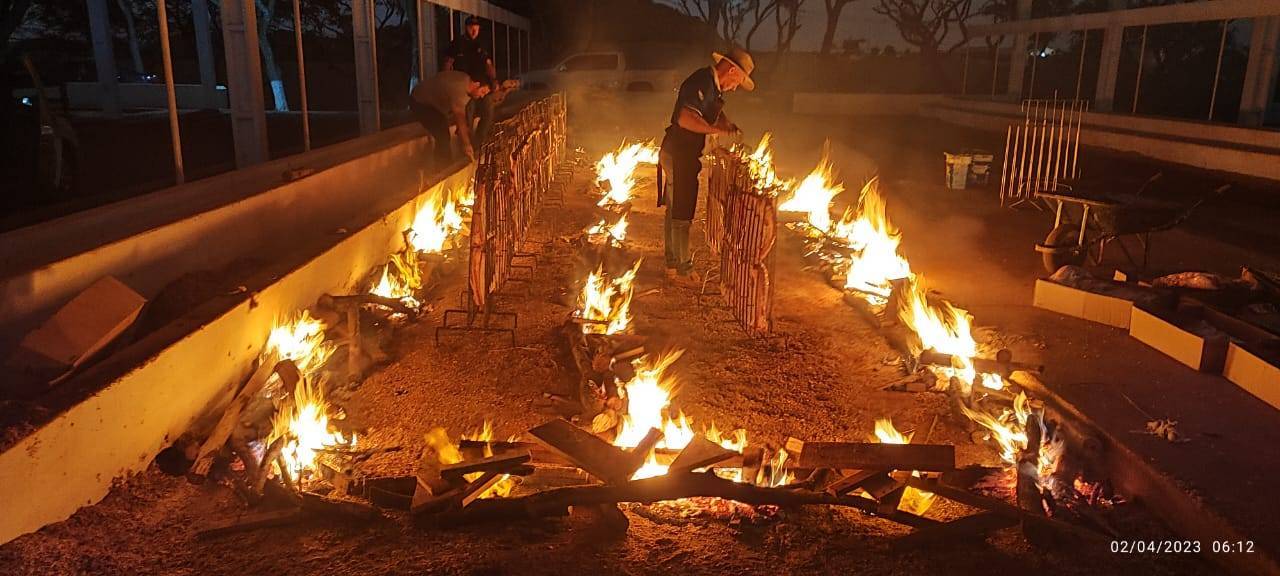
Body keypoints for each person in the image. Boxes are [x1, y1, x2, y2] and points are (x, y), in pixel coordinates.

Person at [658, 47, 755, 286]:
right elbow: (685, 118)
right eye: (738, 81)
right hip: (679, 153)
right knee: (682, 210)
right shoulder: (701, 82)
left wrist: (726, 124)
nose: (735, 87)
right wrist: (715, 130)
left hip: (680, 153)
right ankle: (683, 268)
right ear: (731, 70)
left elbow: (712, 112)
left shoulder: (713, 87)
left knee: (675, 208)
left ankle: (672, 262)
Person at [410, 70, 491, 167]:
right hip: (420, 101)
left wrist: (462, 130)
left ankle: (444, 163)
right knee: (443, 135)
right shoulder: (458, 88)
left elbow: (460, 116)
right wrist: (466, 144)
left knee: (444, 129)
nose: (482, 96)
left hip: (435, 106)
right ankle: (442, 167)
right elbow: (460, 116)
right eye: (482, 92)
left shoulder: (467, 86)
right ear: (476, 84)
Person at [444, 16, 499, 146]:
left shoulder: (482, 44)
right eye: (471, 28)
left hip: (481, 87)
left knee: (488, 112)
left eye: (476, 28)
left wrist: (494, 80)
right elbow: (448, 63)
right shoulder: (457, 43)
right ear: (466, 28)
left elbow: (488, 64)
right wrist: (448, 83)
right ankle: (466, 147)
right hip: (465, 89)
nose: (474, 31)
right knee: (467, 117)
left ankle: (479, 144)